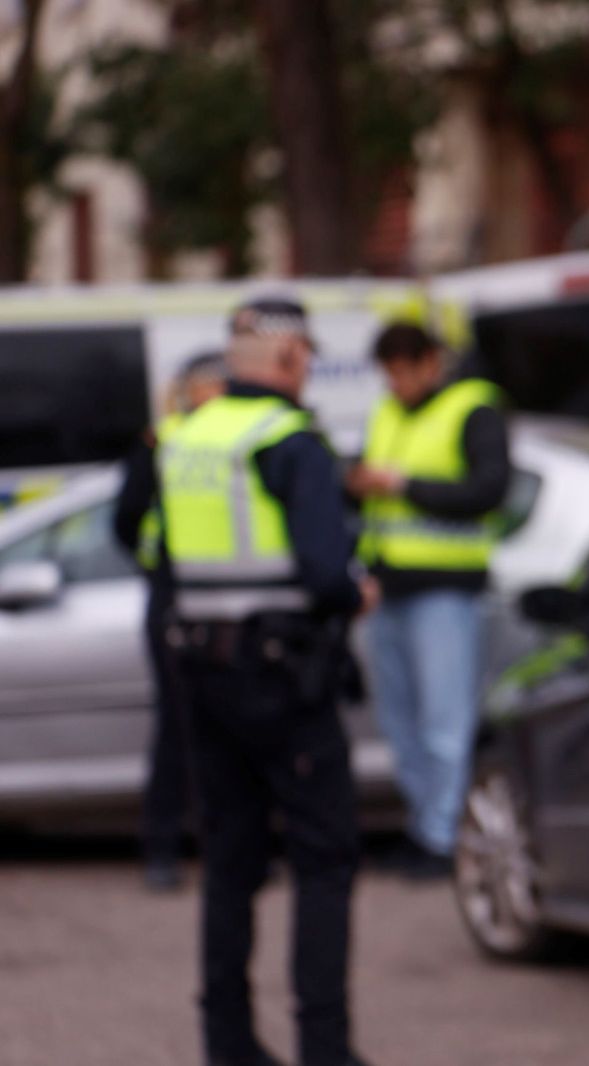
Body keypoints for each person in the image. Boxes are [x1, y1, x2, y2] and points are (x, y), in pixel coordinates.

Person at [158, 297, 376, 1066]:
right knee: (324, 859)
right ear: (285, 359)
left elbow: (156, 555)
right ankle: (326, 1049)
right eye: (305, 354)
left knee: (230, 862)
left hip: (201, 673)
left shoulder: (184, 439)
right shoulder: (291, 440)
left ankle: (227, 1043)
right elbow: (324, 570)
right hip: (283, 678)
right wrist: (358, 592)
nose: (309, 366)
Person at [347, 322, 509, 879]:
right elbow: (373, 511)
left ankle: (444, 838)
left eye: (402, 370)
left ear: (431, 363)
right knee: (400, 724)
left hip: (446, 591)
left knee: (445, 724)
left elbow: (489, 491)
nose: (394, 383)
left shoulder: (473, 409)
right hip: (388, 589)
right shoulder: (387, 414)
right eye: (387, 373)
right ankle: (424, 826)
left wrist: (402, 484)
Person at [113, 351, 227, 891]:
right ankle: (163, 848)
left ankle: (232, 847)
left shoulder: (234, 439)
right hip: (176, 592)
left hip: (225, 592)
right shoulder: (162, 440)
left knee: (232, 726)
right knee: (178, 726)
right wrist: (155, 563)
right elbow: (125, 520)